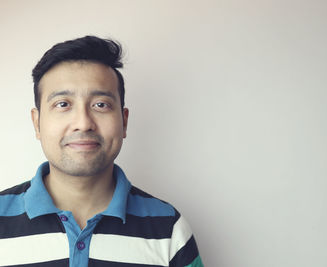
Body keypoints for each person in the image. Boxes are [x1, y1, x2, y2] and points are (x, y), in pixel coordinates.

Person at [0, 36, 203, 267]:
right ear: (37, 123)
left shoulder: (169, 228)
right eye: (63, 104)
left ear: (124, 122)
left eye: (101, 105)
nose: (83, 122)